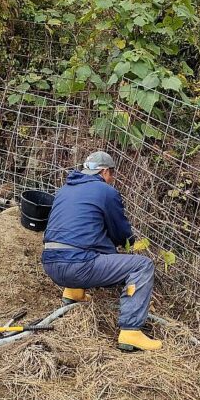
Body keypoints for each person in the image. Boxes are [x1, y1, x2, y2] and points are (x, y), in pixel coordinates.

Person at [41, 151, 161, 352]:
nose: (111, 179)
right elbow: (119, 232)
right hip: (78, 266)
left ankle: (73, 293)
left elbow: (76, 232)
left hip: (50, 264)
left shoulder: (64, 190)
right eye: (111, 174)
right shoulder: (106, 191)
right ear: (105, 171)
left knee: (85, 247)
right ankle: (131, 332)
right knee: (143, 266)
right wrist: (130, 243)